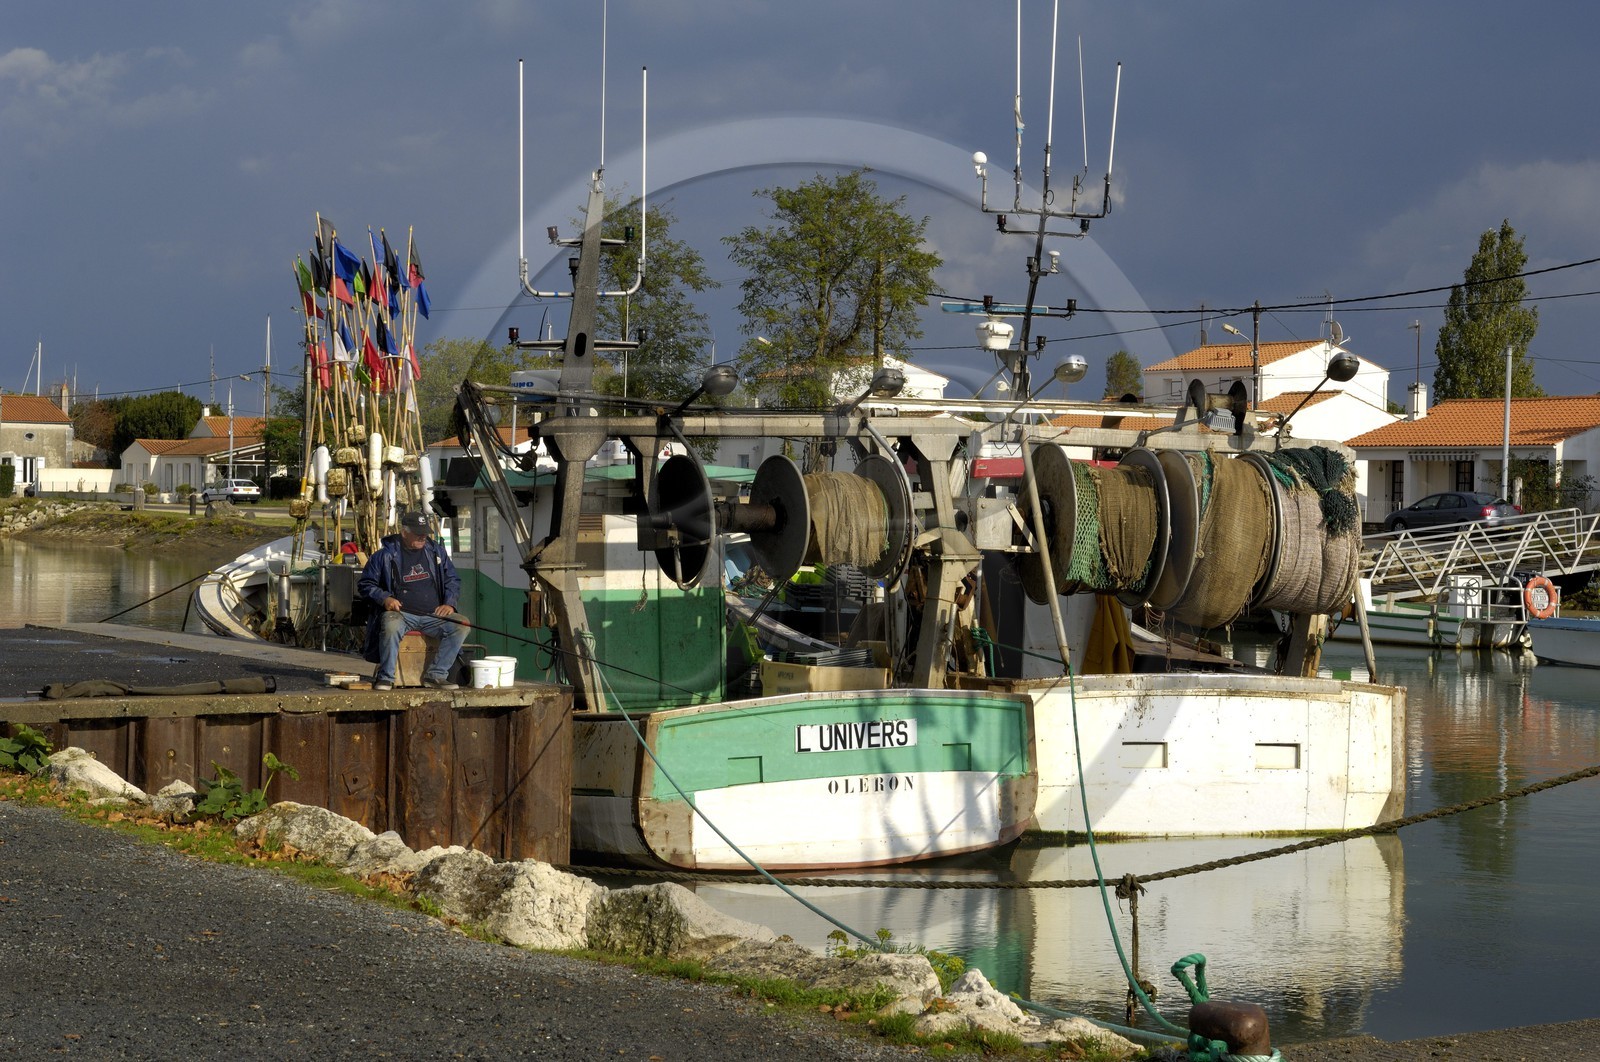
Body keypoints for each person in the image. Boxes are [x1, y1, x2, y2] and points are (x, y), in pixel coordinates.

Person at [357, 511, 470, 692]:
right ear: (404, 532)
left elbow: (452, 580)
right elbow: (365, 585)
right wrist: (385, 598)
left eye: (425, 532)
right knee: (391, 625)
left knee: (461, 625)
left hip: (434, 615)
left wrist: (449, 603)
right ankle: (386, 677)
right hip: (401, 615)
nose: (422, 536)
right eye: (418, 532)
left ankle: (437, 675)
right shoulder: (383, 556)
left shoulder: (436, 552)